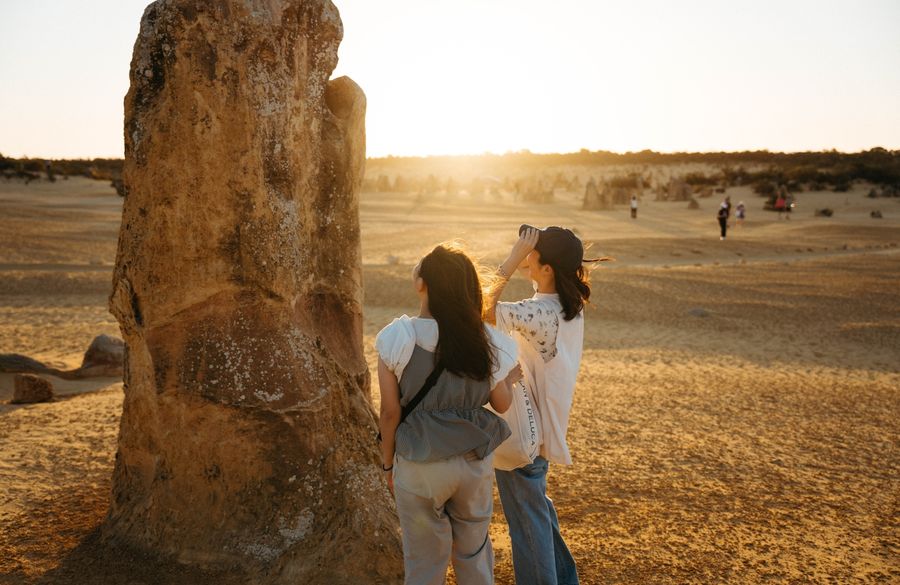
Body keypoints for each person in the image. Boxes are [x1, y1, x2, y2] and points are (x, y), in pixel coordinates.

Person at [376, 244, 520, 585]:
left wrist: (387, 465)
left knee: (425, 562)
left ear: (421, 283)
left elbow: (388, 413)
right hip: (472, 462)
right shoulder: (486, 339)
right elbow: (501, 404)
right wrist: (509, 381)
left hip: (420, 463)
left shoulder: (398, 336)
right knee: (474, 555)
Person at [485, 225, 601, 585]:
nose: (527, 255)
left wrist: (513, 257)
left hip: (525, 431)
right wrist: (529, 256)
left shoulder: (540, 314)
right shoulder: (567, 306)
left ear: (548, 268)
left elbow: (481, 309)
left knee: (528, 523)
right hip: (540, 430)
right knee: (537, 510)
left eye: (534, 254)